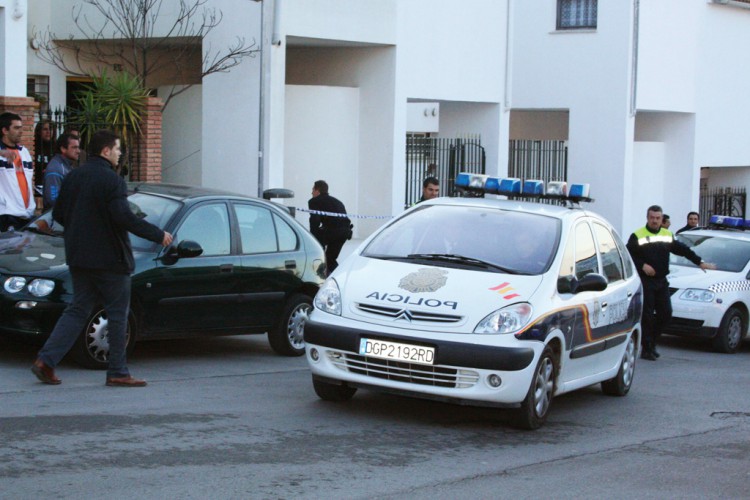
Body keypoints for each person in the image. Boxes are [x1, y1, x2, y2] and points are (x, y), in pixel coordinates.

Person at [31, 130, 173, 387]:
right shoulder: (112, 181)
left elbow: (60, 214)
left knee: (77, 310)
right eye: (117, 149)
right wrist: (157, 234)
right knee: (118, 313)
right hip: (110, 260)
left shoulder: (74, 176)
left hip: (78, 256)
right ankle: (118, 371)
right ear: (106, 151)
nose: (120, 154)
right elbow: (123, 216)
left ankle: (46, 361)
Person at [626, 205, 715, 361]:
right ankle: (647, 348)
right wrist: (642, 265)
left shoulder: (667, 234)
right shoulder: (637, 235)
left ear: (662, 219)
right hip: (645, 281)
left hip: (661, 281)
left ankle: (651, 342)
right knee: (647, 316)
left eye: (657, 218)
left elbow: (682, 250)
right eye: (652, 218)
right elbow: (628, 255)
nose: (654, 221)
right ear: (647, 218)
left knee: (666, 314)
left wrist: (699, 262)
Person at [0, 112, 35, 232]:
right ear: (5, 130)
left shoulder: (24, 152)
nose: (20, 131)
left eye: (21, 128)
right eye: (16, 128)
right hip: (7, 214)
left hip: (27, 214)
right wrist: (1, 152)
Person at [308, 180, 351, 274]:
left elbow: (314, 221)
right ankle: (339, 276)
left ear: (317, 190)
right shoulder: (338, 202)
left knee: (319, 254)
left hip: (333, 231)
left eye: (313, 189)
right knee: (330, 259)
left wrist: (311, 239)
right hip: (344, 232)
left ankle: (319, 273)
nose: (311, 192)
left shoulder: (314, 201)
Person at [43, 132, 81, 210]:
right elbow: (53, 200)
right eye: (74, 147)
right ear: (63, 149)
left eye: (78, 147)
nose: (78, 151)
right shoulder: (55, 169)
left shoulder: (66, 165)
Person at [34, 119, 56, 189]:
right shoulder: (34, 146)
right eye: (45, 129)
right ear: (39, 131)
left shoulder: (56, 147)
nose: (48, 132)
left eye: (50, 129)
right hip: (36, 183)